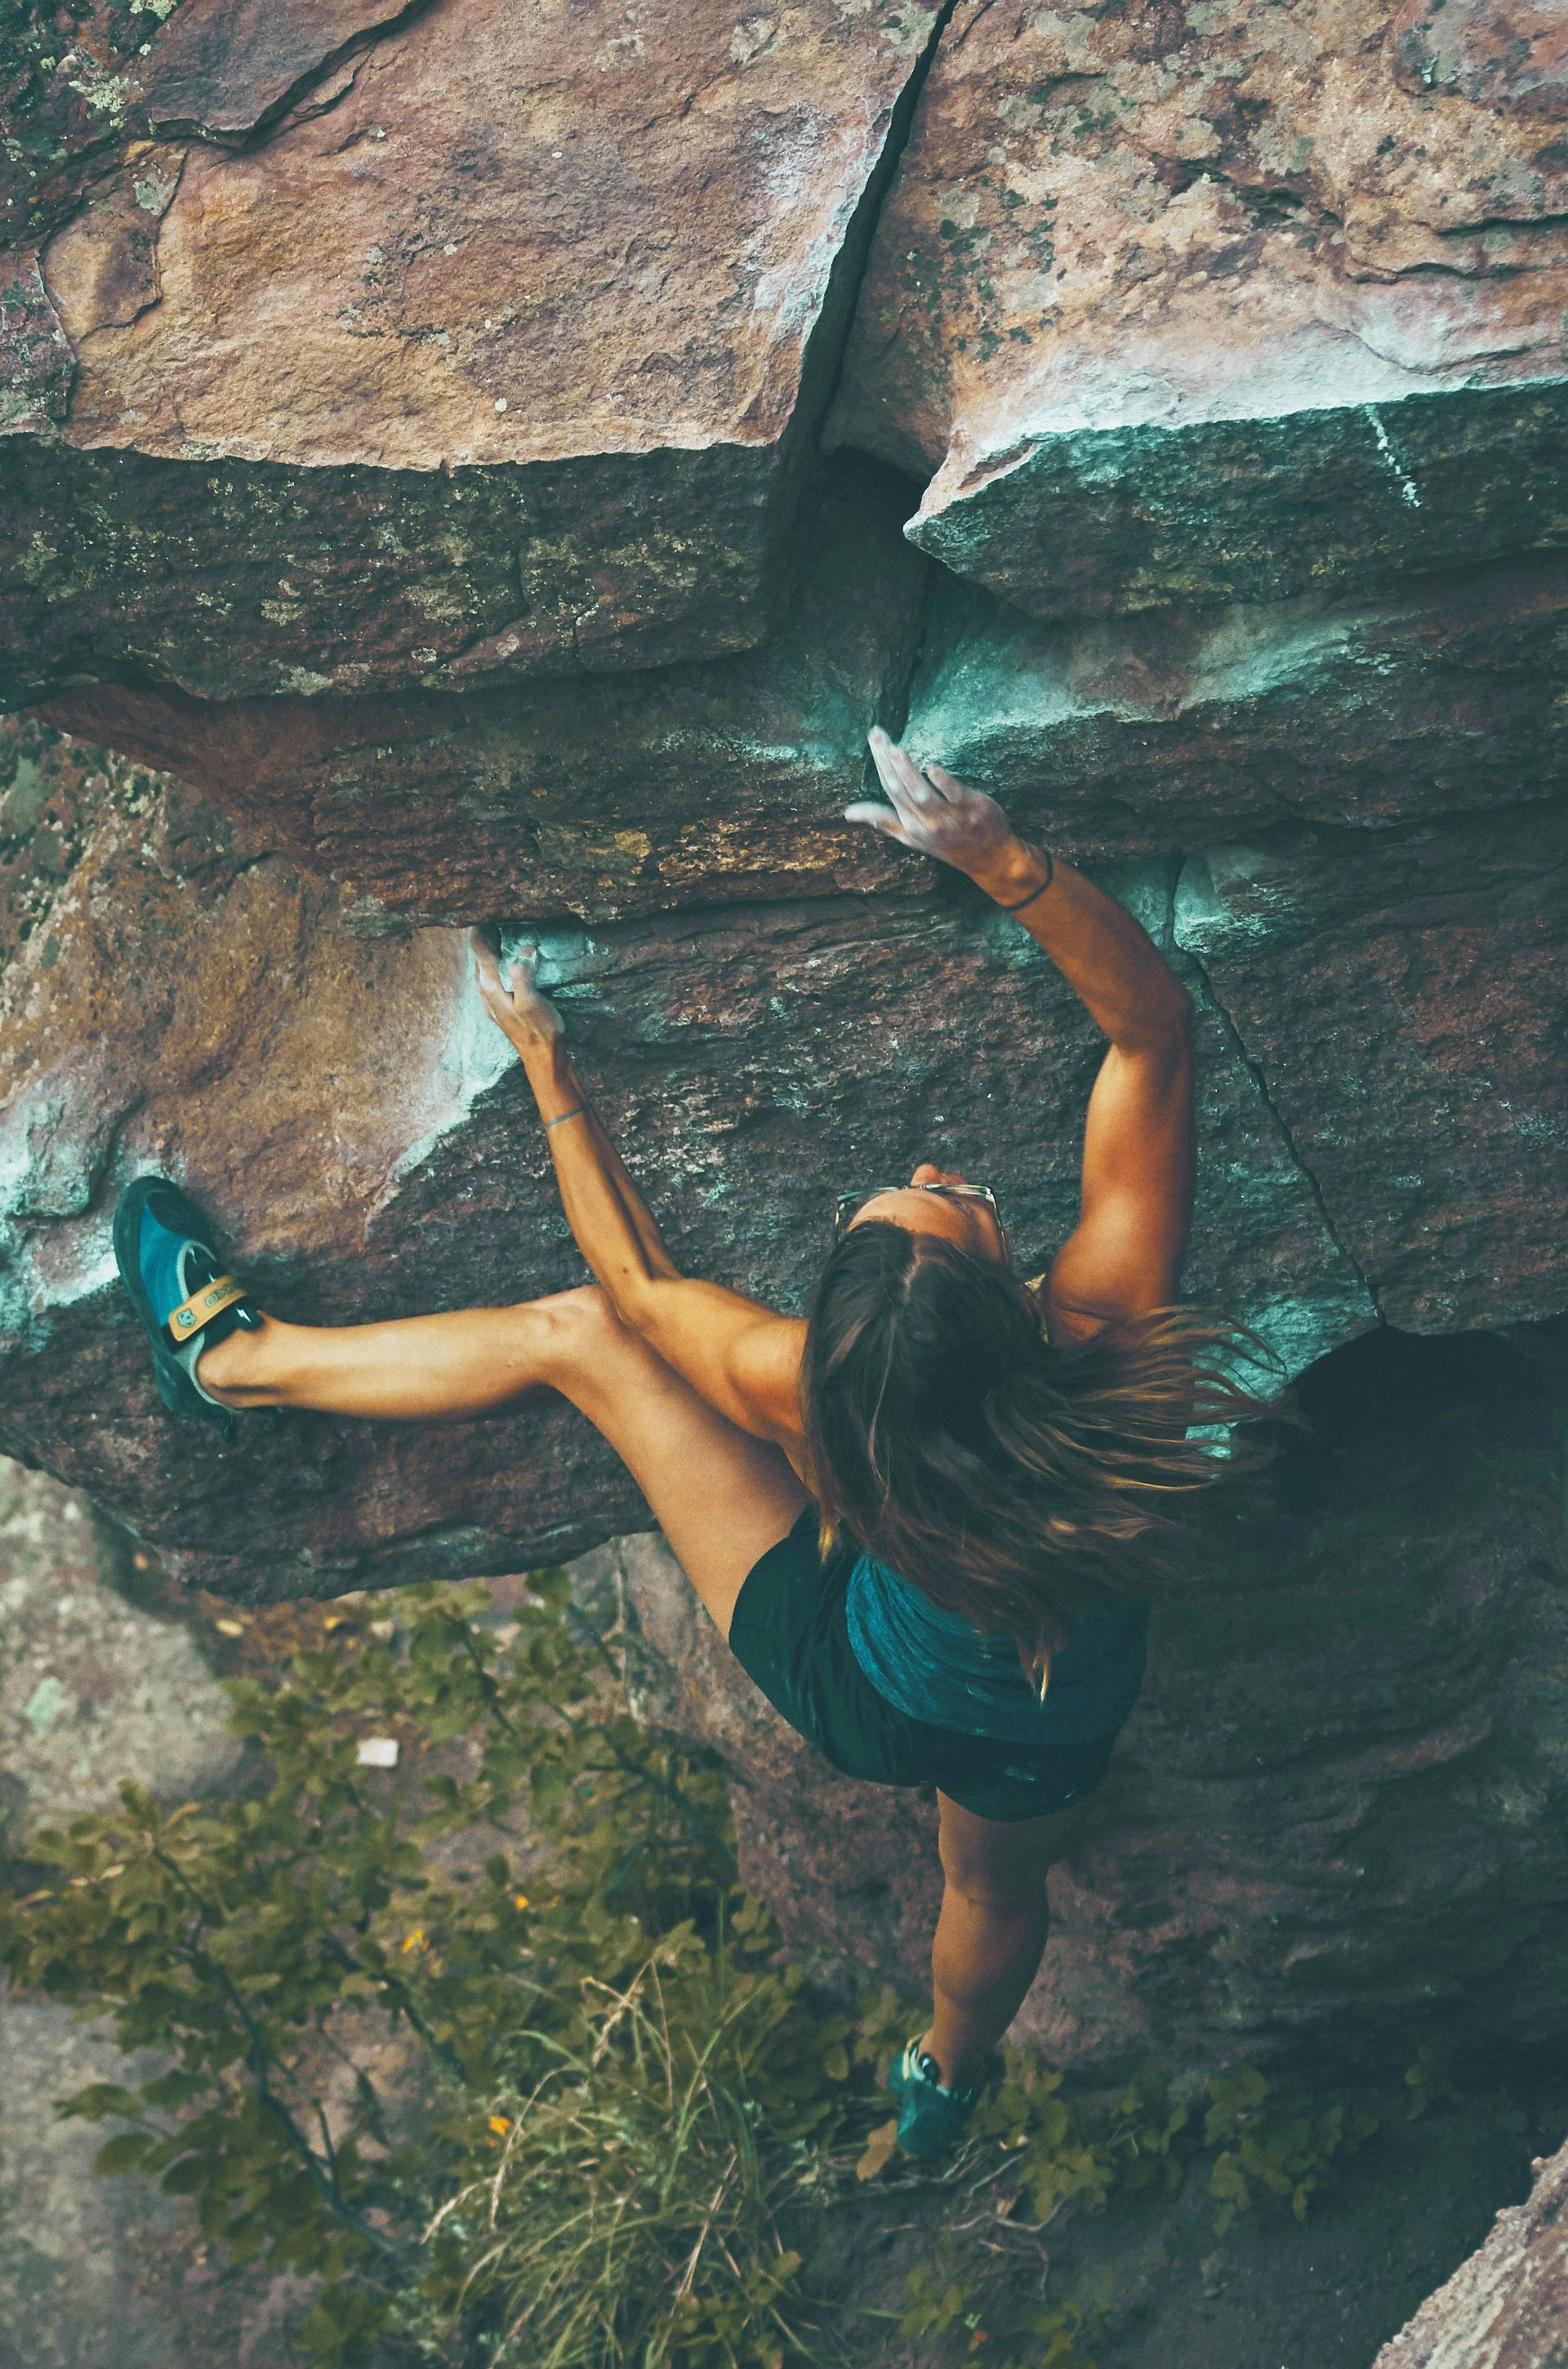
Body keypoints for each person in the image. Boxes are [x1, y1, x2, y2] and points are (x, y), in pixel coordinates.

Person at [115, 730, 1250, 2158]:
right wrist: (999, 858)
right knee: (996, 1893)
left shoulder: (806, 1393)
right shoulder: (1112, 1349)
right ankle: (944, 2086)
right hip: (1030, 1711)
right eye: (939, 1197)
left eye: (925, 1198)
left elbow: (636, 1296)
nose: (930, 1171)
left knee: (582, 1339)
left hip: (858, 1677)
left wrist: (543, 1059)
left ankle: (235, 1363)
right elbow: (1152, 1032)